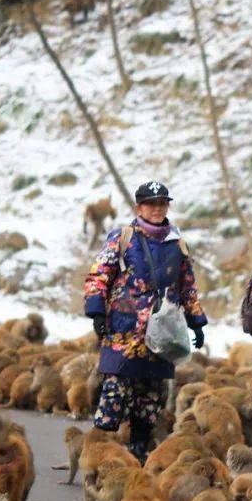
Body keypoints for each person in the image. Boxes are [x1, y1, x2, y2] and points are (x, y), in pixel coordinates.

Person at [84, 181, 208, 463]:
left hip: (162, 337)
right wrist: (97, 312)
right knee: (113, 398)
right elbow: (99, 274)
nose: (157, 208)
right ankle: (99, 460)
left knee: (149, 406)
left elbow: (187, 286)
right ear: (139, 207)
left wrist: (196, 321)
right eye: (151, 204)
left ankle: (137, 461)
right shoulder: (123, 237)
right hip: (124, 334)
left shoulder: (177, 243)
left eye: (162, 203)